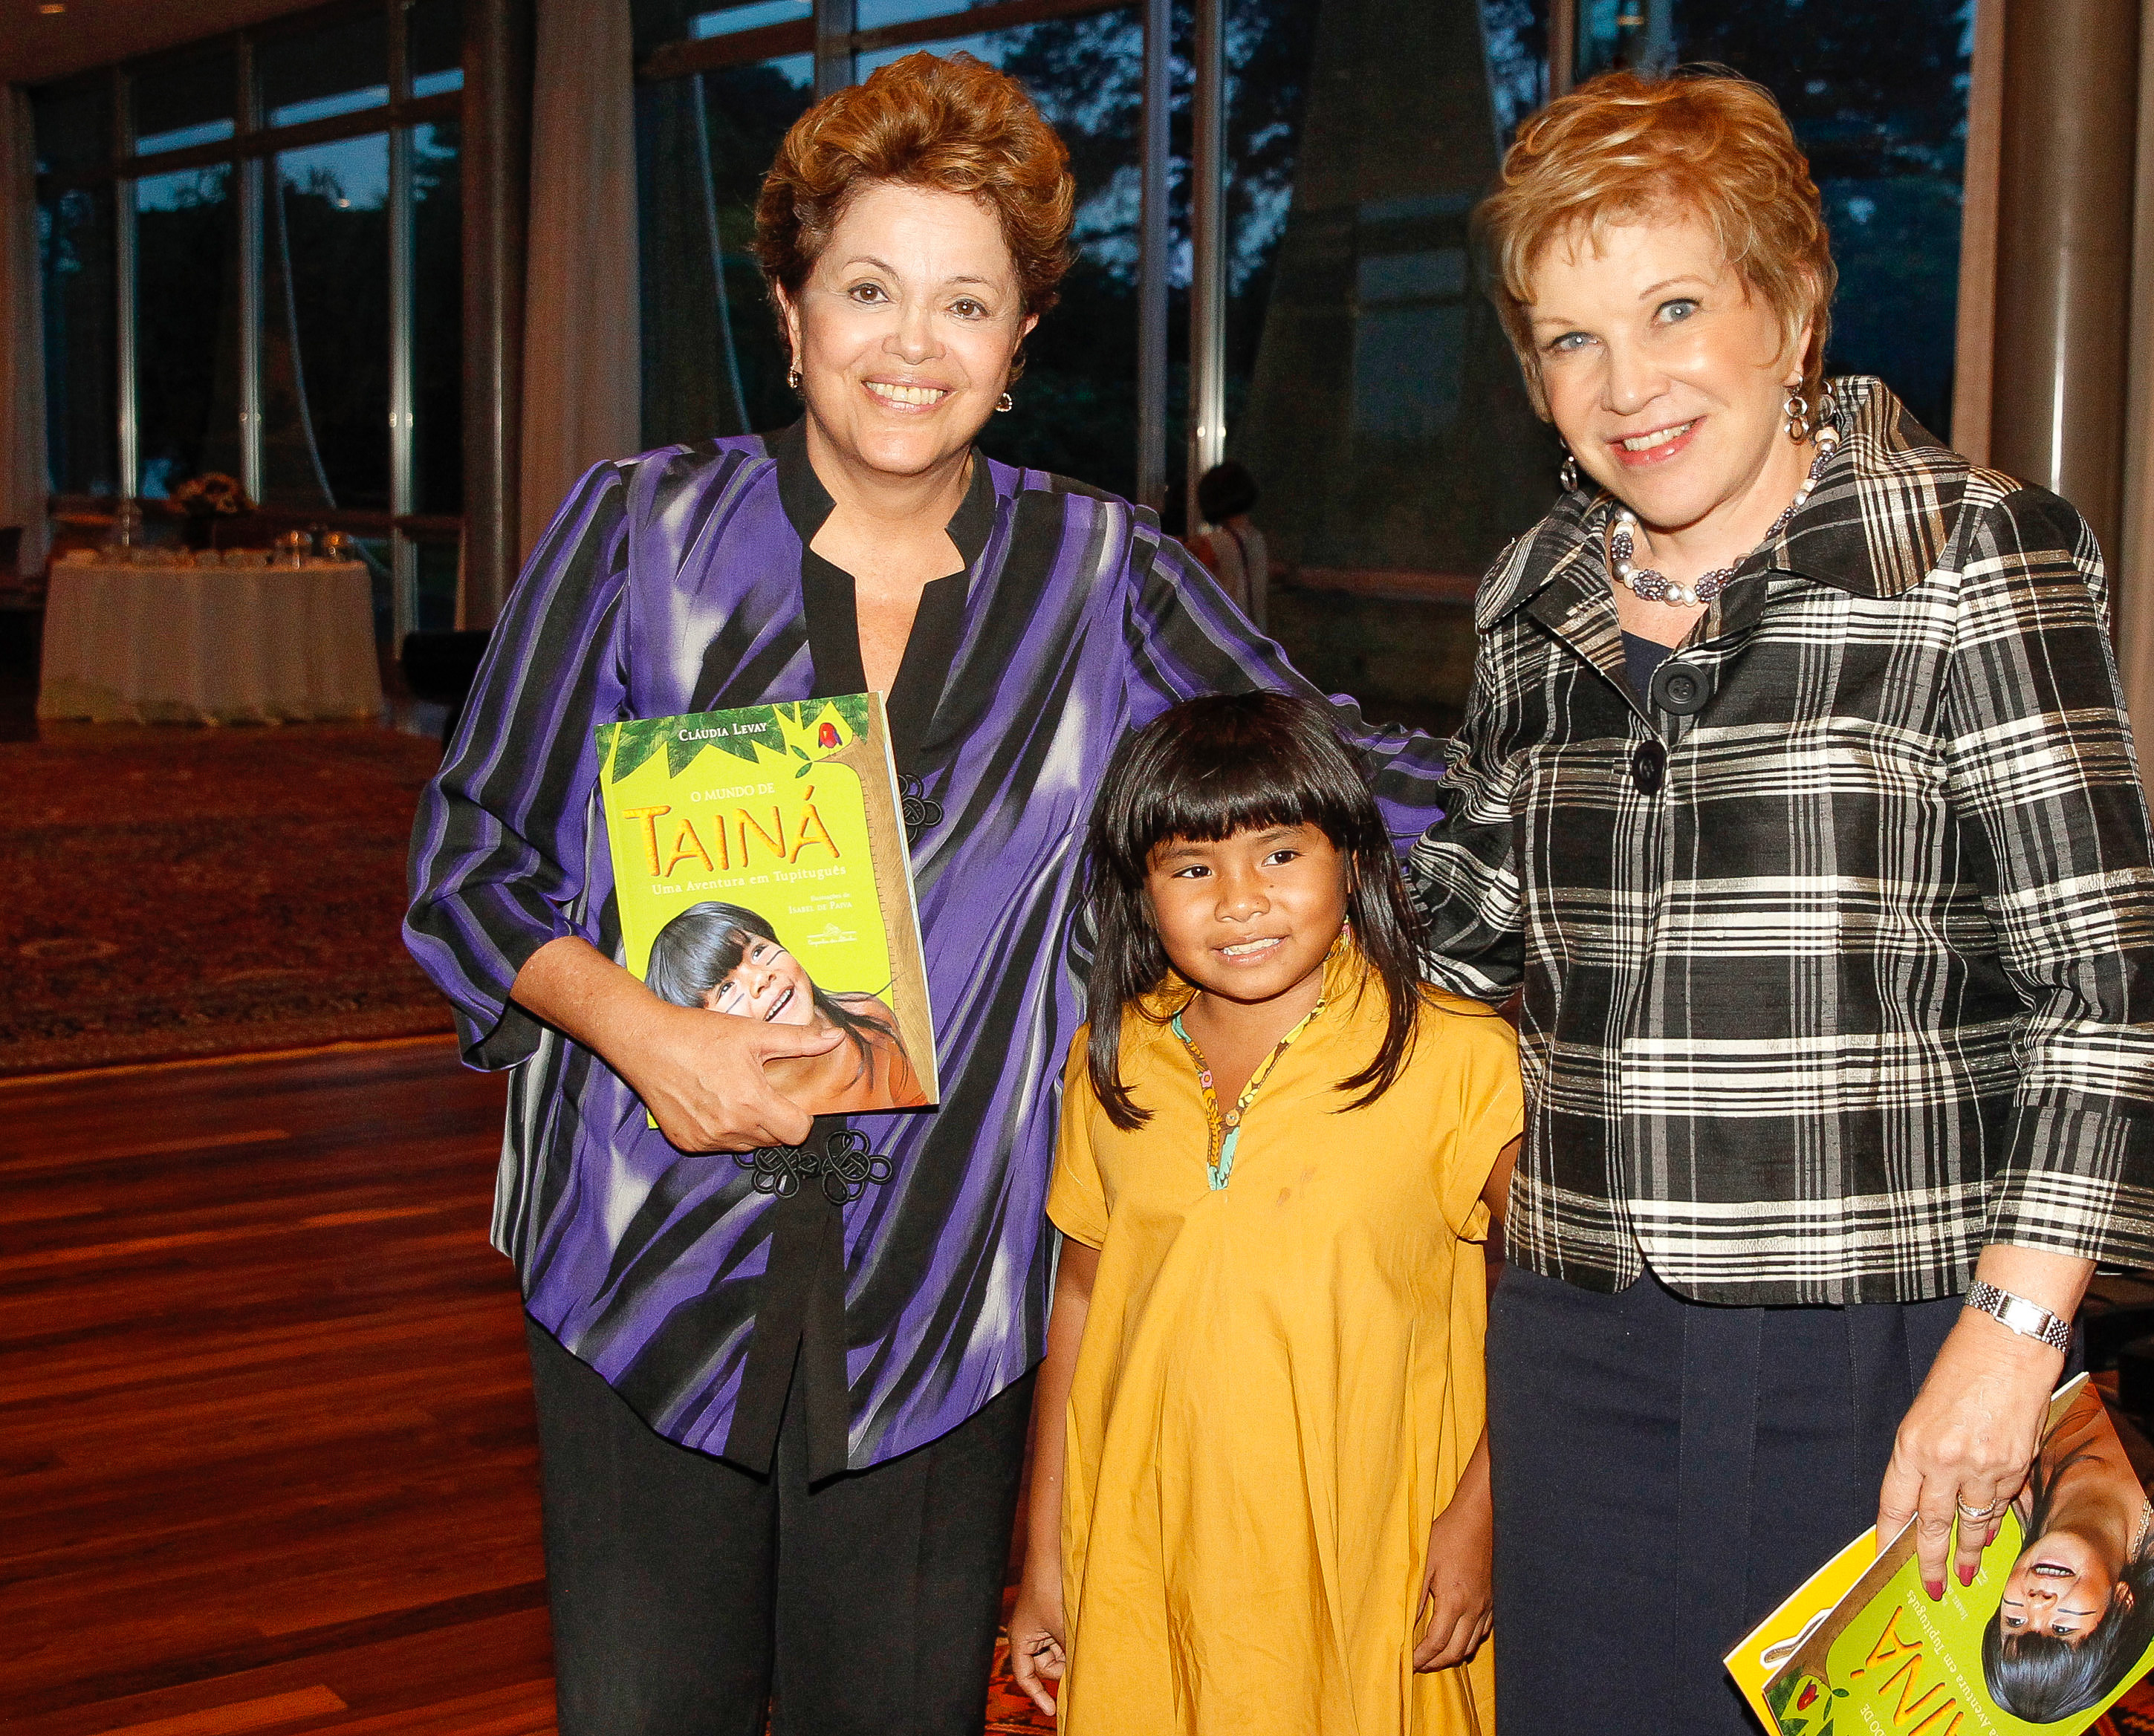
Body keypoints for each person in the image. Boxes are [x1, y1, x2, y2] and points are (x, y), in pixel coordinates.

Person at [403, 51, 1441, 1735]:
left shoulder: (1097, 575)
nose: (909, 342)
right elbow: (468, 855)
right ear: (791, 310)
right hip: (638, 1266)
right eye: (867, 287)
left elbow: (1344, 774)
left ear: (1020, 343)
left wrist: (1611, 764)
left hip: (942, 1294)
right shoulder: (630, 535)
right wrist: (637, 1028)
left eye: (965, 303)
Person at [1407, 67, 2154, 1734]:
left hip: (1876, 1336)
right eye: (1570, 338)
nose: (1627, 384)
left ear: (1791, 305)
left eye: (1674, 305)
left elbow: (2106, 990)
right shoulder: (1530, 591)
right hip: (1573, 1329)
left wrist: (2008, 1348)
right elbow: (1469, 927)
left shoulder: (1969, 552)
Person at [1005, 692, 1520, 1735]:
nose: (1238, 901)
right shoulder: (1108, 1061)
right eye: (1192, 869)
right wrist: (1043, 1555)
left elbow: (1558, 1309)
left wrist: (1482, 1518)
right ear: (1141, 893)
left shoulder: (1458, 1058)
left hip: (1373, 1546)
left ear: (1354, 861)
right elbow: (1080, 1302)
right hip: (1155, 1550)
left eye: (1279, 855)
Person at [1982, 1395, 2154, 1723]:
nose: (2037, 1603)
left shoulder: (2002, 1480)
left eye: (2015, 1623)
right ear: (2122, 1602)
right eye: (2061, 1629)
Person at [643, 901, 928, 1114]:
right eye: (726, 988)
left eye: (758, 951)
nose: (760, 978)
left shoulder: (867, 1019)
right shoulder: (732, 1108)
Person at [1189, 460, 1271, 625]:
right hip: (1257, 634)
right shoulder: (1257, 538)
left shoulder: (1215, 543)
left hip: (1228, 634)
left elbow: (1195, 589)